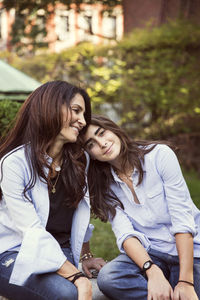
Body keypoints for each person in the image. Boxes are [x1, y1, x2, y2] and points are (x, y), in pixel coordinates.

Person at [0, 81, 105, 300]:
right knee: (67, 294)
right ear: (50, 107)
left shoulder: (79, 160)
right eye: (76, 111)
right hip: (14, 252)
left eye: (84, 114)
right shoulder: (15, 163)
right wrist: (78, 278)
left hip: (60, 251)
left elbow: (78, 212)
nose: (83, 121)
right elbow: (32, 231)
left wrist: (85, 255)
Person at [82, 114, 200, 300]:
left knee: (186, 291)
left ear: (114, 129)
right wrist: (151, 270)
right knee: (109, 278)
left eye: (102, 133)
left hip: (191, 251)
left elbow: (183, 221)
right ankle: (164, 287)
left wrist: (185, 282)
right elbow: (125, 234)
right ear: (91, 155)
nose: (102, 143)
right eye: (91, 144)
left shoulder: (159, 155)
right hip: (151, 252)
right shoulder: (104, 185)